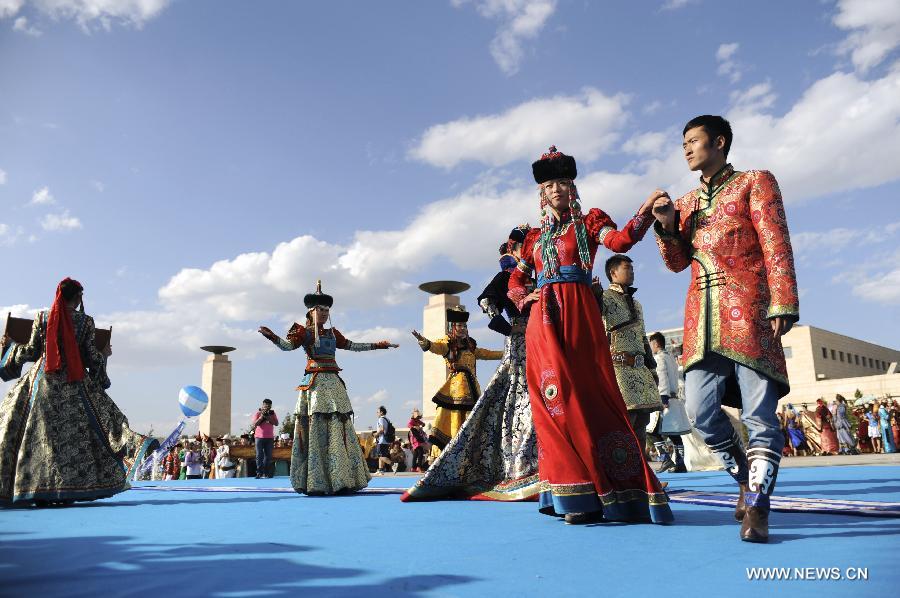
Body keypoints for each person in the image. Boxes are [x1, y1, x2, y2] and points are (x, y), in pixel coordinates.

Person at [652, 115, 798, 542]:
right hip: (701, 321)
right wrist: (665, 226)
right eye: (683, 144)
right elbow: (677, 263)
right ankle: (742, 478)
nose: (687, 149)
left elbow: (775, 241)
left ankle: (757, 507)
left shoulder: (756, 181)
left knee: (759, 416)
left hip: (749, 311)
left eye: (693, 141)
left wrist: (783, 299)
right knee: (699, 413)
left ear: (718, 142)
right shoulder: (685, 203)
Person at [507, 146, 672, 525]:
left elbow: (621, 242)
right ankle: (572, 494)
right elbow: (516, 278)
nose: (558, 190)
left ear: (574, 187)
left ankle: (611, 489)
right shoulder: (532, 238)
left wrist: (646, 212)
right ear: (541, 192)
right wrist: (523, 296)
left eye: (565, 183)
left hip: (579, 310)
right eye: (550, 185)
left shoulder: (590, 223)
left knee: (589, 394)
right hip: (543, 318)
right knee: (552, 399)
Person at [404, 227, 541, 502]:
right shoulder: (507, 277)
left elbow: (485, 352)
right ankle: (520, 463)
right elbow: (486, 301)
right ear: (514, 250)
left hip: (539, 341)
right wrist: (509, 328)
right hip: (503, 355)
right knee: (519, 397)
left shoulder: (537, 277)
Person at [0, 278, 157, 506]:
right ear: (79, 297)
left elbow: (32, 350)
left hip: (41, 382)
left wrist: (10, 346)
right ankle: (68, 489)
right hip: (75, 382)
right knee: (83, 434)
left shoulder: (42, 318)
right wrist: (104, 355)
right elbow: (91, 358)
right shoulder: (85, 322)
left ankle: (34, 489)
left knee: (35, 436)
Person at [258, 280, 398, 495]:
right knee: (315, 427)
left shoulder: (333, 334)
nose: (324, 314)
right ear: (311, 312)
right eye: (320, 310)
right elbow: (287, 347)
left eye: (326, 310)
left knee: (338, 428)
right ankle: (317, 480)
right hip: (315, 385)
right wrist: (273, 338)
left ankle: (342, 478)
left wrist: (378, 345)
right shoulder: (303, 333)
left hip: (333, 383)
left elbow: (353, 346)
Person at [597, 255, 662, 459]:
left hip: (640, 370)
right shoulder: (604, 297)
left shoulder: (638, 304)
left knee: (643, 423)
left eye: (632, 268)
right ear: (613, 273)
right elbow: (594, 321)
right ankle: (624, 476)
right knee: (626, 422)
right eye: (627, 268)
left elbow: (643, 338)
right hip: (618, 369)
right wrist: (594, 296)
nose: (632, 272)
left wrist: (652, 369)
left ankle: (644, 477)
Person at [411, 307, 503, 451]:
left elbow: (486, 353)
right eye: (459, 325)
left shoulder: (470, 345)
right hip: (455, 391)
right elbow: (436, 347)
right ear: (453, 326)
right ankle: (454, 450)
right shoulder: (447, 343)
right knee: (454, 419)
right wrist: (423, 341)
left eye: (465, 326)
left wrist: (506, 352)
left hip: (473, 389)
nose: (463, 328)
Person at [648, 332, 691, 472]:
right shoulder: (671, 358)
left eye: (651, 345)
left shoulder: (659, 358)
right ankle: (680, 463)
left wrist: (663, 397)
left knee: (652, 430)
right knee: (674, 433)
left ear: (656, 344)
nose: (651, 347)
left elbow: (661, 377)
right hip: (675, 398)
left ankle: (665, 459)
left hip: (664, 398)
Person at [251, 399, 279, 479]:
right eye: (266, 405)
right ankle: (259, 473)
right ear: (263, 405)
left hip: (269, 438)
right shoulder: (258, 413)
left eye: (269, 405)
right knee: (259, 455)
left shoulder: (272, 413)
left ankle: (266, 472)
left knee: (268, 456)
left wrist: (269, 417)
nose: (267, 407)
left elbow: (276, 423)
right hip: (259, 437)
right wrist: (261, 417)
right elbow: (254, 424)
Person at [375, 406, 395, 474]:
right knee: (381, 456)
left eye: (378, 412)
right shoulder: (387, 419)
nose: (377, 413)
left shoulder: (381, 419)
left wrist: (376, 434)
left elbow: (382, 429)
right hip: (386, 440)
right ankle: (380, 470)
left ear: (381, 412)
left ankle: (393, 464)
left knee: (381, 456)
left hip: (382, 440)